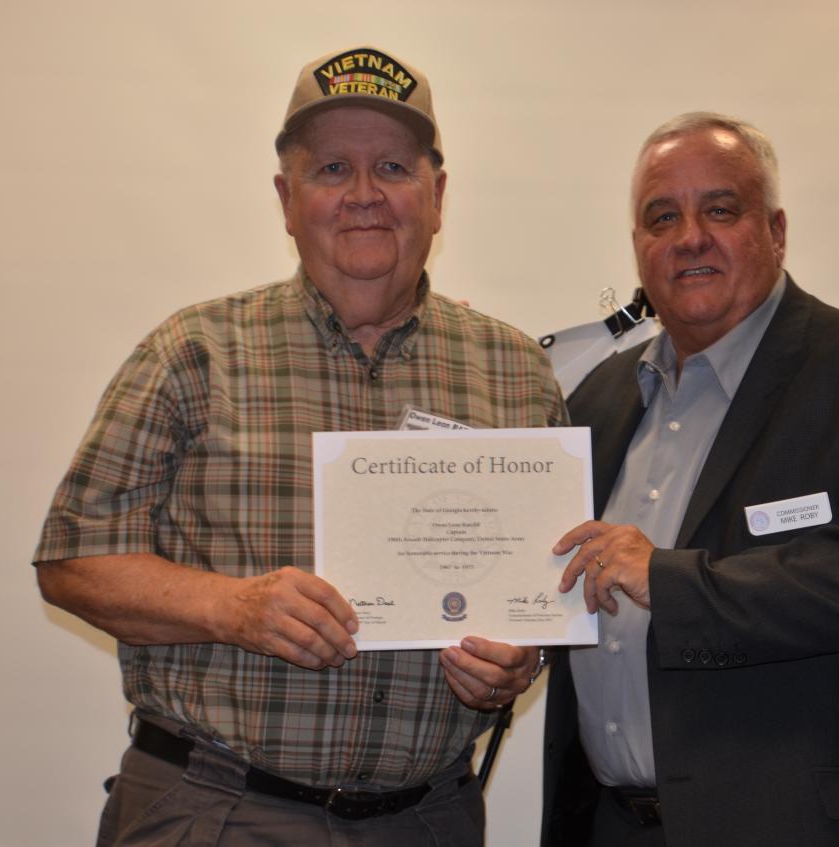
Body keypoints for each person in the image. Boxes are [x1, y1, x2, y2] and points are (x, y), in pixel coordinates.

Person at [34, 45, 561, 847]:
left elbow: (544, 592)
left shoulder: (515, 372)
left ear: (437, 196)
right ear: (287, 199)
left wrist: (518, 661)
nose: (364, 194)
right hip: (218, 809)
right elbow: (71, 560)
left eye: (392, 167)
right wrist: (233, 607)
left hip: (426, 821)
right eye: (332, 169)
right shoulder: (195, 352)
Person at [542, 113, 839, 846]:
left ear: (776, 231)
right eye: (662, 217)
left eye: (720, 209)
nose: (690, 237)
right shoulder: (596, 399)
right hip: (614, 826)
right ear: (638, 246)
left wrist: (670, 581)